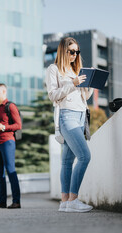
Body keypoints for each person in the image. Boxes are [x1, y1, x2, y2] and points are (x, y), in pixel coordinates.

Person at [45, 37, 94, 213]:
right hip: (67, 116)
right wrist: (73, 84)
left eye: (77, 52)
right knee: (84, 156)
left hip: (81, 116)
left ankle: (65, 202)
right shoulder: (54, 69)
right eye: (71, 51)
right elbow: (53, 95)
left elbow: (83, 99)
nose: (75, 55)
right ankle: (74, 199)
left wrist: (89, 86)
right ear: (63, 51)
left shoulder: (76, 70)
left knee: (67, 161)